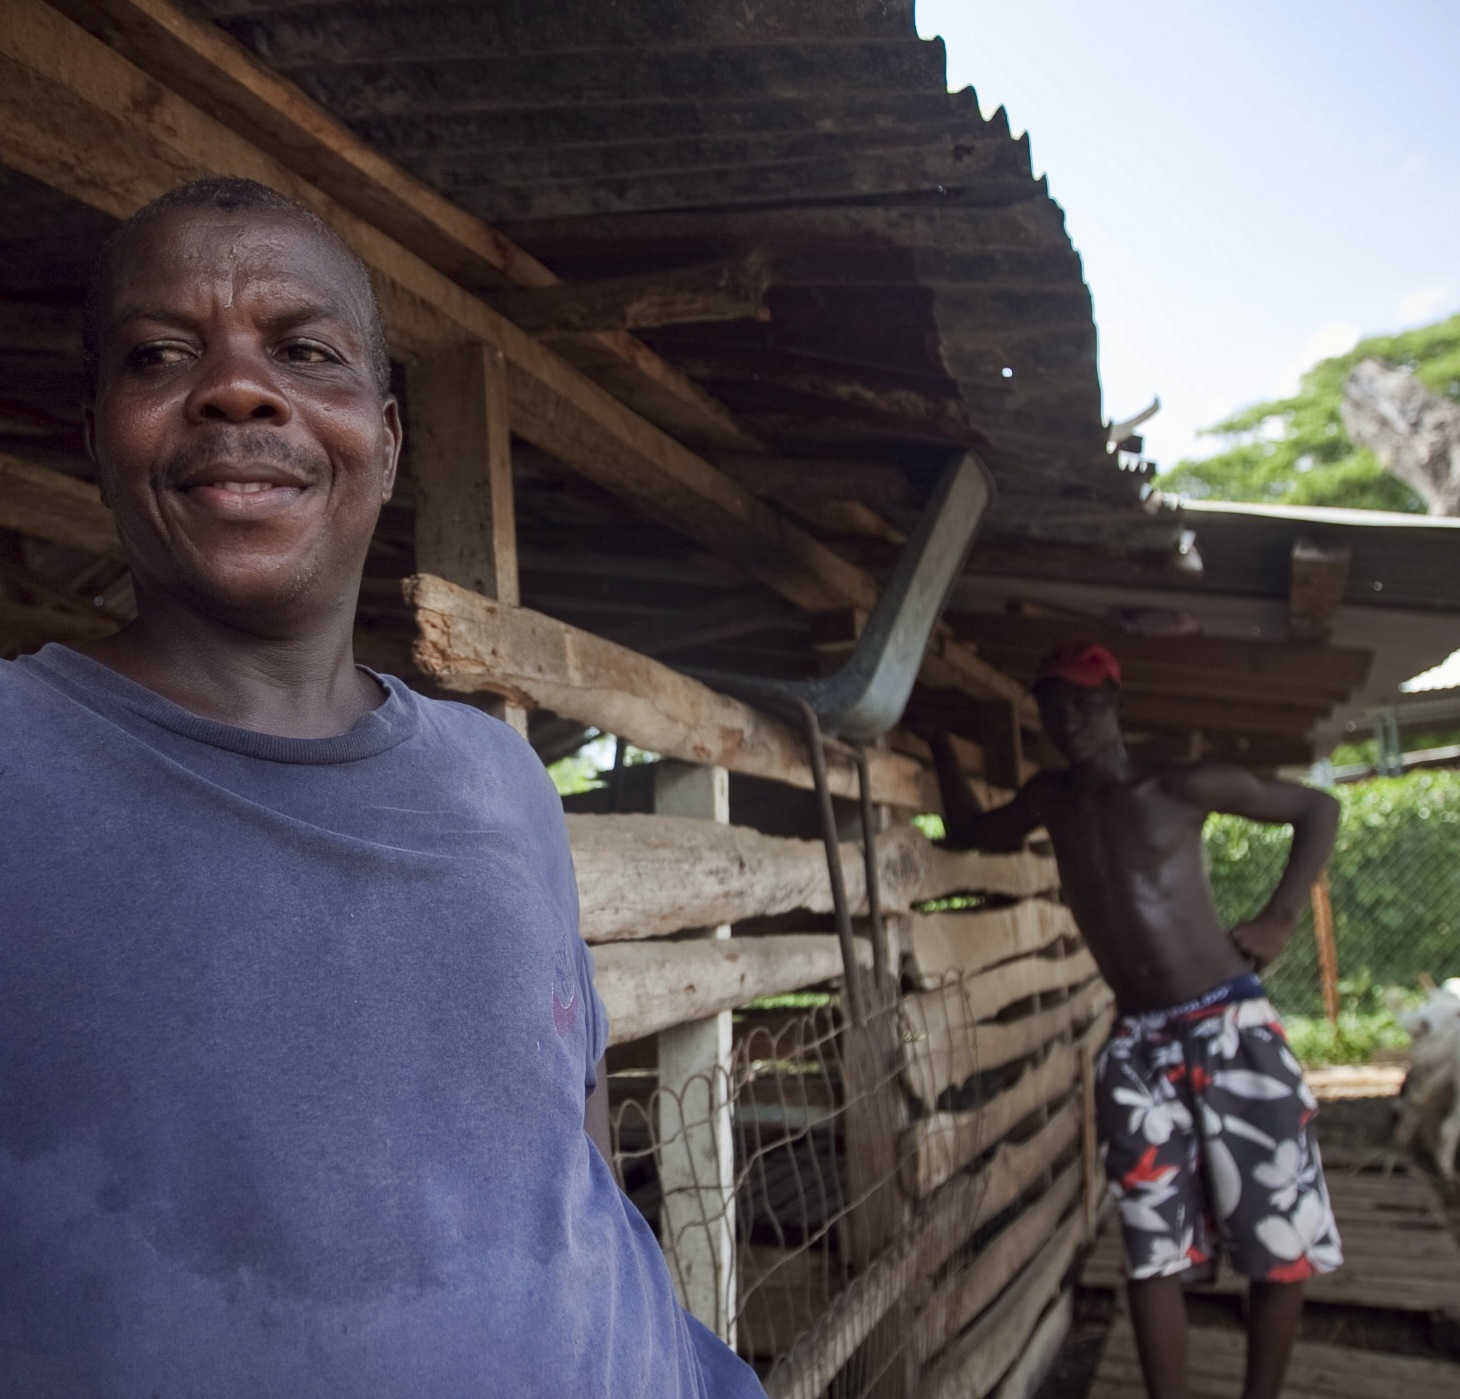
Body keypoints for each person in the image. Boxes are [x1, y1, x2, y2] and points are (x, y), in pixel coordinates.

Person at [0, 178, 761, 1397]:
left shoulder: (501, 780)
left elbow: (571, 1144)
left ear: (389, 442)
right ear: (95, 431)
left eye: (306, 352)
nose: (240, 389)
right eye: (161, 354)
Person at [918, 642, 1343, 1399]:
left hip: (1229, 1023)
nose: (1067, 720)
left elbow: (1319, 806)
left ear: (1113, 700)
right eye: (1052, 708)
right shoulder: (1052, 797)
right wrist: (938, 742)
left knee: (1279, 1233)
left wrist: (1279, 917)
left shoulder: (1178, 783)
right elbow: (968, 832)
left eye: (1082, 703)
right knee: (1151, 1245)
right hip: (1139, 1042)